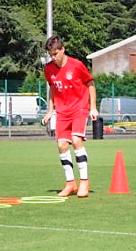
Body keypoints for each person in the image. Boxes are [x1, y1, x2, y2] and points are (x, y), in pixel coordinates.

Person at [41, 35, 98, 198]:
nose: (53, 57)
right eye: (51, 54)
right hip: (62, 112)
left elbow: (90, 84)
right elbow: (52, 89)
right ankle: (70, 183)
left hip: (79, 108)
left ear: (62, 50)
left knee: (76, 140)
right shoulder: (49, 69)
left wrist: (93, 108)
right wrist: (50, 111)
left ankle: (84, 182)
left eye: (55, 53)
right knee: (62, 145)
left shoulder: (77, 65)